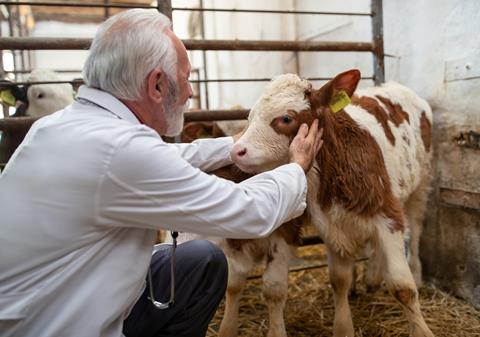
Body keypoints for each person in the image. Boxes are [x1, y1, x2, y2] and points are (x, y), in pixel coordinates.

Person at [0, 9, 323, 337]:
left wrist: (234, 144)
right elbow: (249, 210)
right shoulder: (121, 150)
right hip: (55, 325)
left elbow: (168, 156)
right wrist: (296, 167)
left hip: (58, 295)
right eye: (186, 77)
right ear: (156, 84)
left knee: (201, 260)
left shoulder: (61, 126)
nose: (190, 93)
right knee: (202, 259)